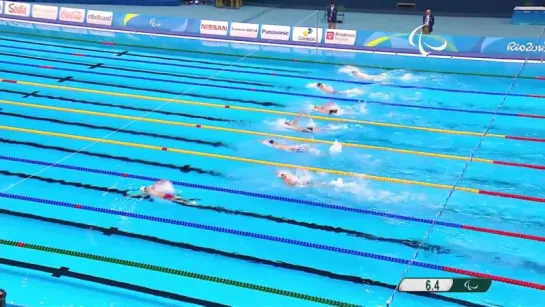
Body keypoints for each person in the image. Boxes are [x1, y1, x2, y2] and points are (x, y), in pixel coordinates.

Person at [127, 180, 200, 205]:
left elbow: (140, 194)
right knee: (178, 198)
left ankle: (189, 203)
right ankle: (190, 201)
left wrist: (130, 196)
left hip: (165, 196)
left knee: (177, 200)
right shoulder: (150, 187)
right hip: (166, 194)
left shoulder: (148, 192)